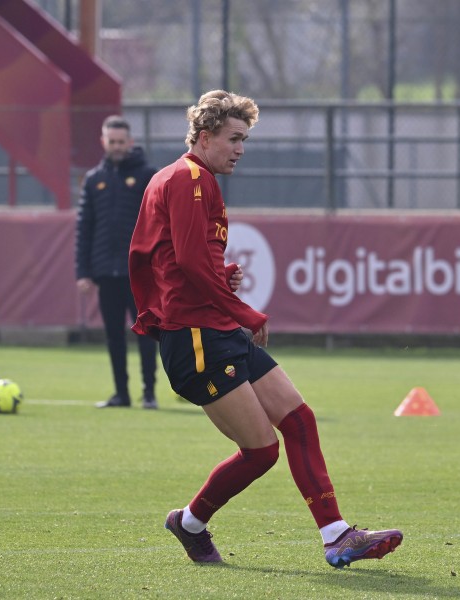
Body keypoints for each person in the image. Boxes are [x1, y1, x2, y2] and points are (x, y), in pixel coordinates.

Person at [128, 90, 402, 567]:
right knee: (260, 451)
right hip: (195, 338)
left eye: (245, 139)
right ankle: (189, 523)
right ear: (206, 136)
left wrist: (223, 275)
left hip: (213, 327)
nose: (240, 148)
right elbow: (189, 263)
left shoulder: (194, 179)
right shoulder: (189, 178)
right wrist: (244, 311)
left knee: (299, 420)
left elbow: (185, 260)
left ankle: (336, 534)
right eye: (234, 138)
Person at [76, 115, 159, 409]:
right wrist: (84, 272)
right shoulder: (94, 179)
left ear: (131, 142)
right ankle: (121, 393)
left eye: (121, 141)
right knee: (114, 335)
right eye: (112, 141)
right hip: (105, 272)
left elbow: (159, 224)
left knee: (147, 333)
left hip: (139, 273)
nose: (117, 146)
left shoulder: (149, 176)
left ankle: (149, 393)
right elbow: (84, 228)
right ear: (104, 142)